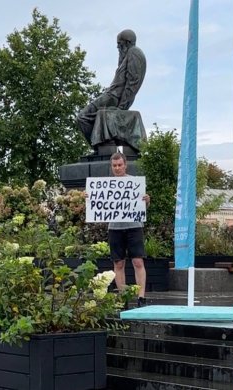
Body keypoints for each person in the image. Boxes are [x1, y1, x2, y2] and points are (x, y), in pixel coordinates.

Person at [76, 29, 147, 149]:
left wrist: (121, 108)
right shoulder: (126, 55)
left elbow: (132, 83)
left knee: (82, 117)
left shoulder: (134, 53)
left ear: (128, 42)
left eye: (120, 44)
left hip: (113, 97)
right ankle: (101, 147)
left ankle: (102, 146)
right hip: (110, 94)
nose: (118, 47)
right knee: (81, 118)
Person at [107, 152, 150, 307]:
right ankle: (123, 298)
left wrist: (147, 200)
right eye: (114, 165)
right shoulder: (105, 185)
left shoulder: (135, 183)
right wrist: (89, 197)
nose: (117, 168)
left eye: (120, 165)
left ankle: (141, 297)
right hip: (115, 228)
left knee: (138, 261)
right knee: (118, 264)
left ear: (125, 165)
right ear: (111, 167)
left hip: (134, 227)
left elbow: (143, 206)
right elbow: (97, 204)